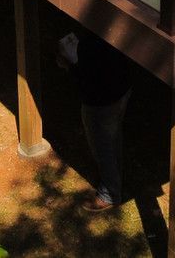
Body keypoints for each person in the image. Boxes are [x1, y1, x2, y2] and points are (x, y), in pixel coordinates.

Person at [59, 31, 132, 212]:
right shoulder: (110, 31)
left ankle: (110, 193)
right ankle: (116, 179)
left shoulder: (89, 45)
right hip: (122, 88)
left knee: (102, 144)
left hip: (101, 101)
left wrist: (68, 66)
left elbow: (85, 77)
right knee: (114, 135)